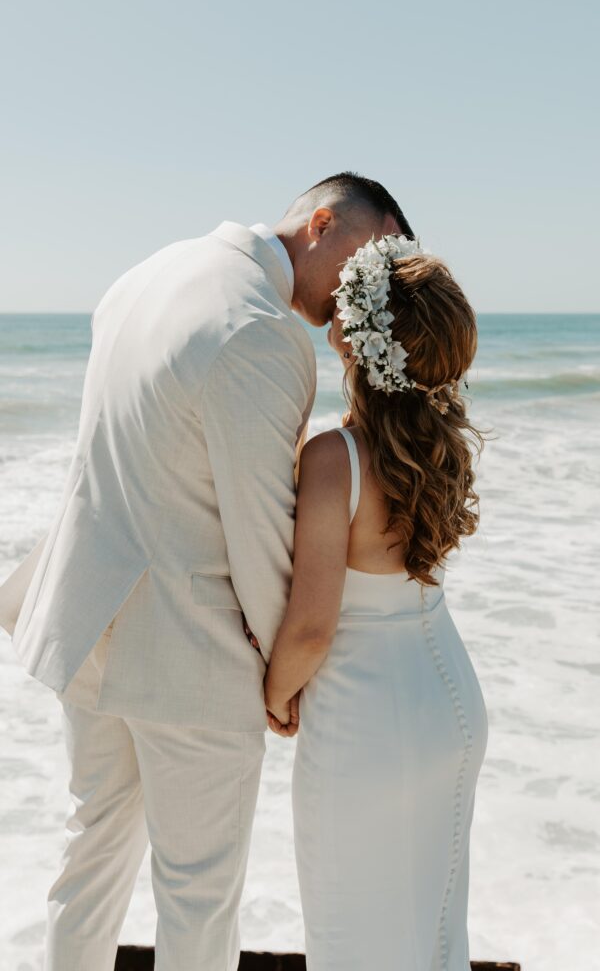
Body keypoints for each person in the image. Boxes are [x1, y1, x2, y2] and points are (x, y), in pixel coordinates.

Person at [0, 173, 413, 971]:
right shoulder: (261, 329)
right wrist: (281, 675)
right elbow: (261, 533)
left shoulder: (149, 271)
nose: (373, 285)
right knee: (198, 891)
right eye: (375, 254)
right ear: (322, 222)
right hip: (186, 655)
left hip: (84, 619)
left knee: (88, 857)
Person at [264, 235, 489, 970]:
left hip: (366, 722)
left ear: (358, 341)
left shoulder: (336, 459)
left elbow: (310, 628)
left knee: (350, 929)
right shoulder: (442, 451)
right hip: (447, 703)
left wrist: (275, 695)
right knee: (429, 927)